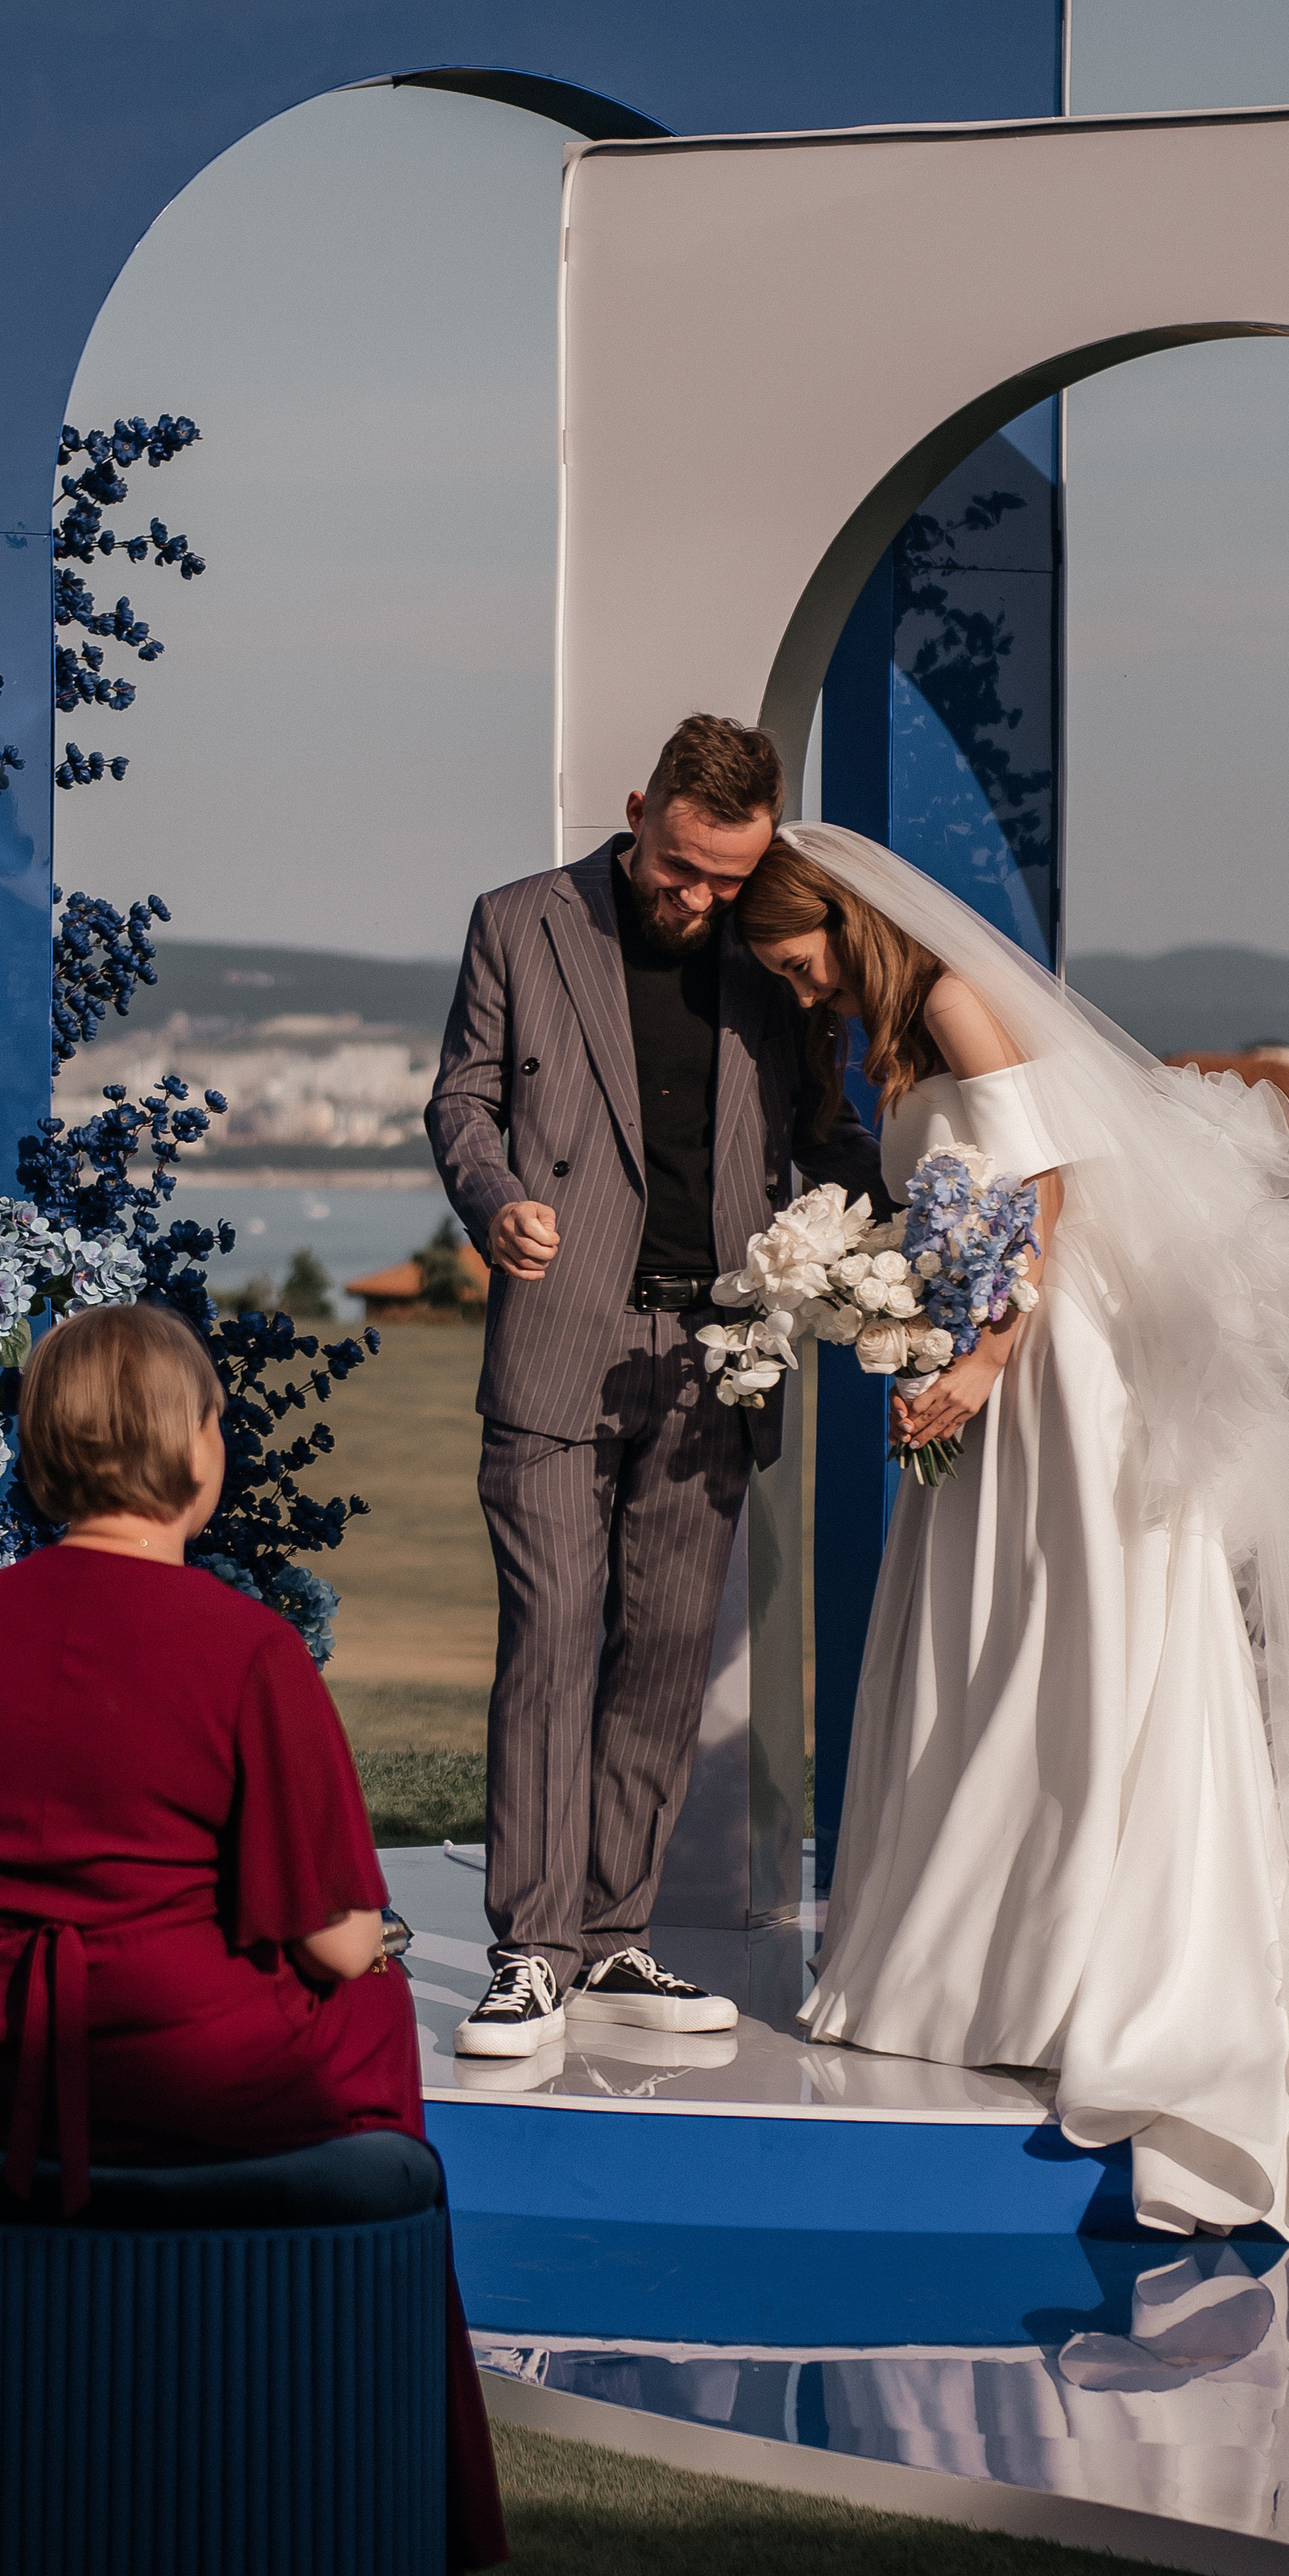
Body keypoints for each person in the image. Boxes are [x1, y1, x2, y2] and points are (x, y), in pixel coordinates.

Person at [736, 822, 1289, 2252]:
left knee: (1065, 1635)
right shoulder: (900, 1031)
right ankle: (981, 1956)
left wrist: (980, 1356)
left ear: (843, 921)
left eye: (800, 960)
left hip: (1054, 1372)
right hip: (993, 1366)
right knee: (992, 1642)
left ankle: (1082, 1964)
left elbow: (1047, 1186)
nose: (802, 988)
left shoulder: (955, 994)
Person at [0, 1300, 505, 2574]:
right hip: (180, 2076)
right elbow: (327, 1940)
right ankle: (406, 2493)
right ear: (199, 1446)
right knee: (371, 2010)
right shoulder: (247, 1649)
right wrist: (374, 1945)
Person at [426, 716, 893, 2060]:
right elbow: (460, 1101)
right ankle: (529, 1952)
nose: (700, 900)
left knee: (666, 1655)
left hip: (720, 1351)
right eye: (681, 867)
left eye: (729, 881)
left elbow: (823, 1126)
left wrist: (906, 1231)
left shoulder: (767, 949)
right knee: (554, 1639)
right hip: (558, 1335)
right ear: (641, 811)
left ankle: (617, 1931)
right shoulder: (518, 922)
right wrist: (497, 1196)